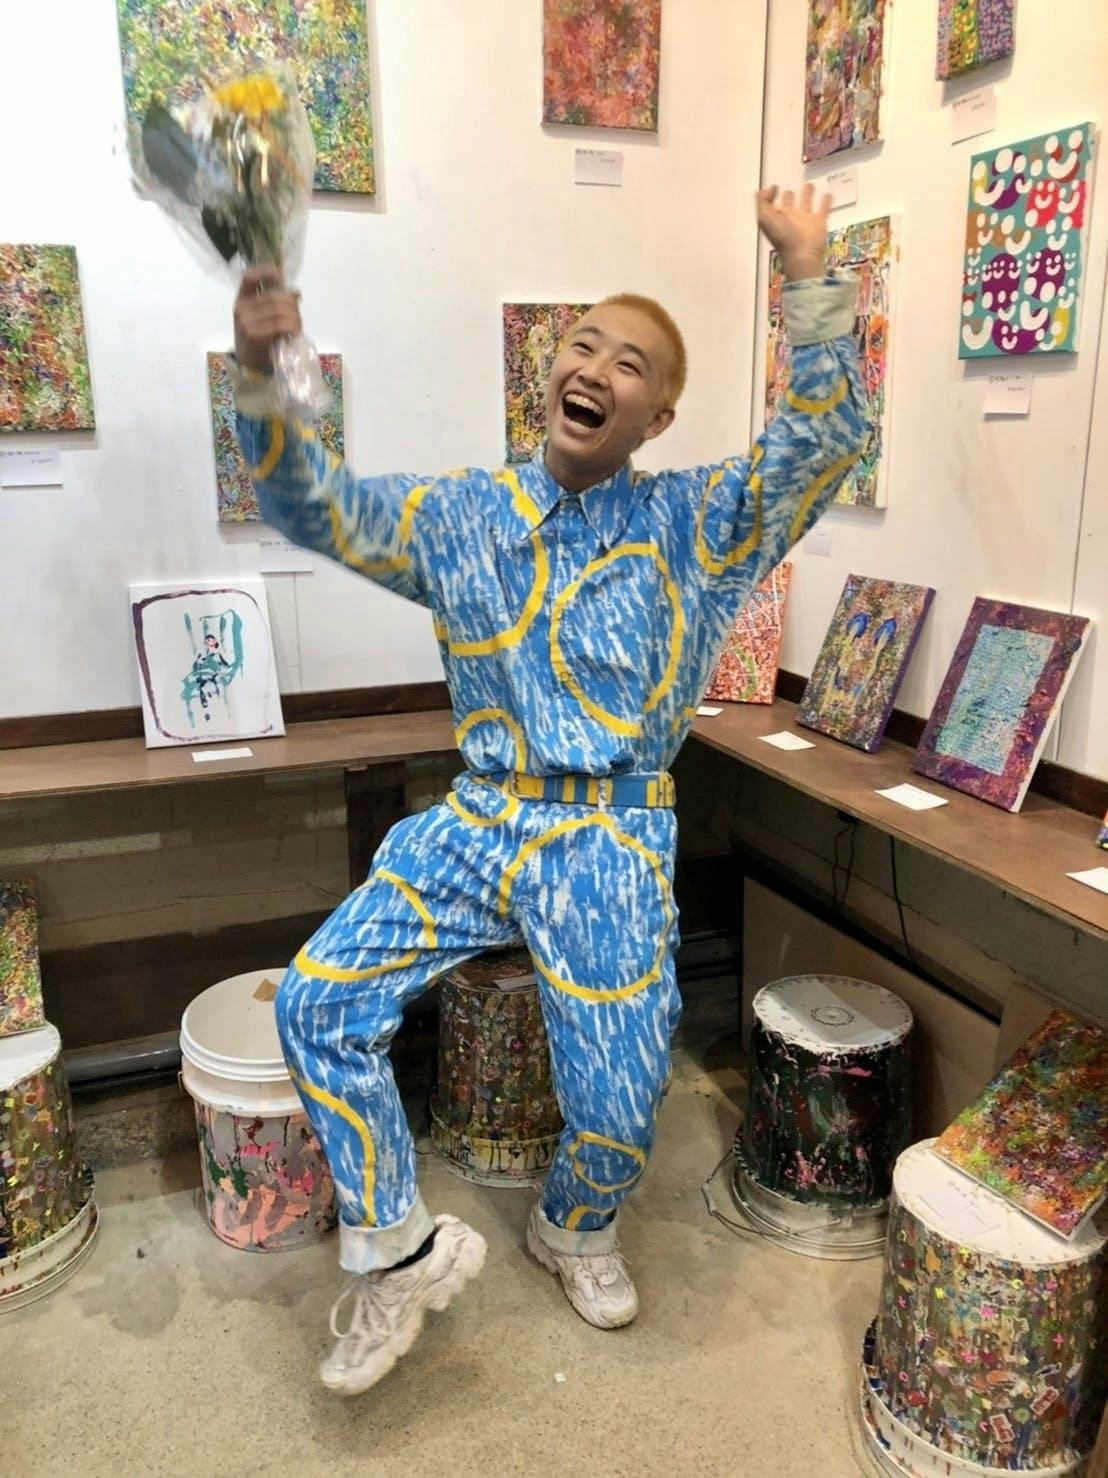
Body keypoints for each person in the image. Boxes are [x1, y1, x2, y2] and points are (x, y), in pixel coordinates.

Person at [230, 184, 864, 1397]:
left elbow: (822, 447)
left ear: (657, 415)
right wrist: (263, 372)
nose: (597, 368)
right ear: (547, 368)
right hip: (478, 815)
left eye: (631, 364)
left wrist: (809, 271)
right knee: (316, 999)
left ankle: (572, 1225)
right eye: (583, 344)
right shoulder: (462, 515)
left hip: (610, 836)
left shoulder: (696, 523)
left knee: (620, 1095)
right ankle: (395, 1248)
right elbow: (309, 504)